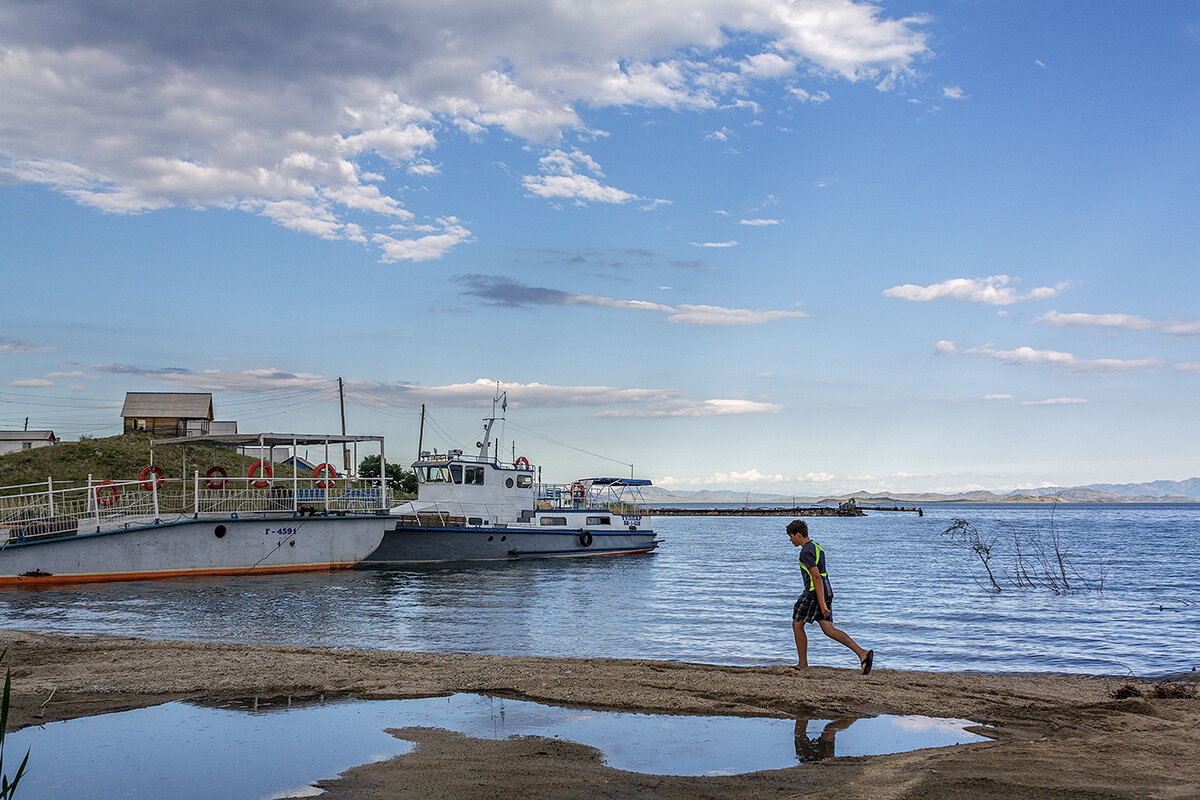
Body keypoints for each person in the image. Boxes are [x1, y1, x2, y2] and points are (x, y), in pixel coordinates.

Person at [786, 519, 873, 674]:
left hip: (814, 592)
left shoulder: (805, 552)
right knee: (829, 629)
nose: (790, 540)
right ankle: (862, 653)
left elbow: (816, 577)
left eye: (791, 536)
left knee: (797, 625)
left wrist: (822, 604)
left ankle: (802, 665)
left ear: (798, 535)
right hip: (826, 589)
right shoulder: (817, 547)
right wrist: (824, 600)